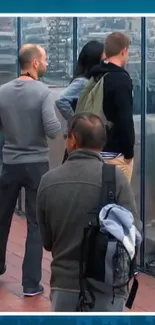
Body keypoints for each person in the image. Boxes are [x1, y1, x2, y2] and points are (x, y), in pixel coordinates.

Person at [37, 113, 142, 312]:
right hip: (108, 287)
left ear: (73, 140)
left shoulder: (49, 181)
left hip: (64, 286)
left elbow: (47, 241)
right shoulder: (116, 179)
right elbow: (134, 231)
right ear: (102, 142)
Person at [0, 44, 61, 296]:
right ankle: (30, 283)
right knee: (35, 224)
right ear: (35, 63)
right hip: (37, 165)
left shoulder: (2, 91)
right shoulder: (43, 92)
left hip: (10, 163)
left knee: (2, 218)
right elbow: (53, 129)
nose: (46, 64)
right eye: (44, 59)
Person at [88, 32, 135, 182]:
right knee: (117, 202)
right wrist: (129, 153)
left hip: (94, 150)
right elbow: (124, 119)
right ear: (124, 51)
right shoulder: (121, 79)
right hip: (115, 154)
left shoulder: (96, 75)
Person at [55, 40, 105, 162]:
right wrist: (76, 120)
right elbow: (61, 100)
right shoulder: (83, 82)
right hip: (81, 138)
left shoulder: (88, 80)